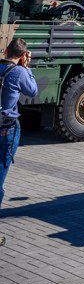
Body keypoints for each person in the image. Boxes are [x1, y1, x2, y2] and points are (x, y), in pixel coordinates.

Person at [0, 38, 39, 244]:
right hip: (6, 128)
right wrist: (28, 68)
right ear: (23, 55)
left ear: (6, 50)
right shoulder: (20, 72)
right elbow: (32, 91)